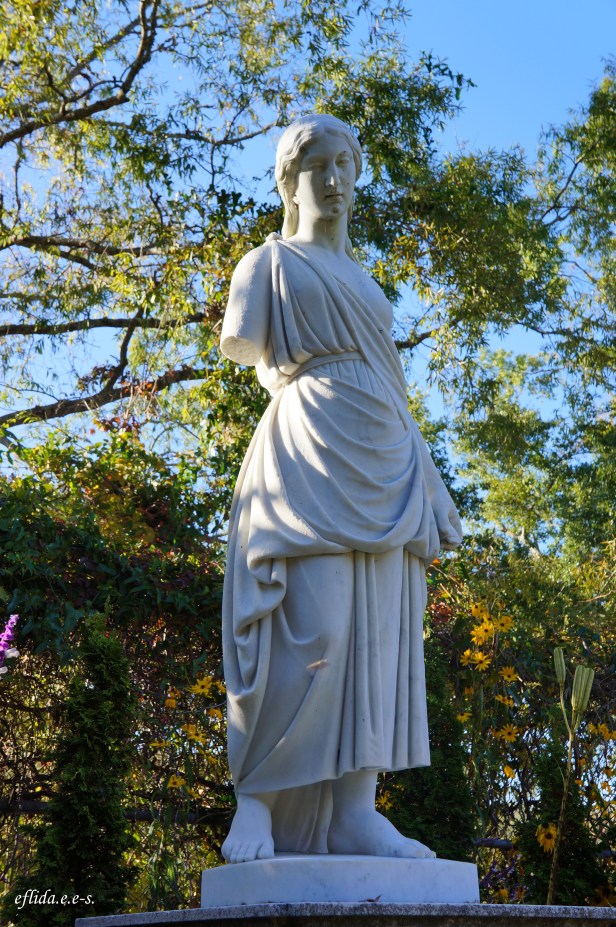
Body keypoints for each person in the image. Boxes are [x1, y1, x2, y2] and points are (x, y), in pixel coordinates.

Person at [219, 114, 462, 865]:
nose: (333, 178)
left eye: (344, 164)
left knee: (376, 640)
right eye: (317, 165)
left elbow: (390, 381)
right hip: (306, 455)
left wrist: (430, 478)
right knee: (311, 631)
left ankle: (358, 810)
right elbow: (251, 351)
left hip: (386, 457)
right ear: (288, 182)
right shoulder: (267, 266)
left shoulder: (368, 283)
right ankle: (255, 799)